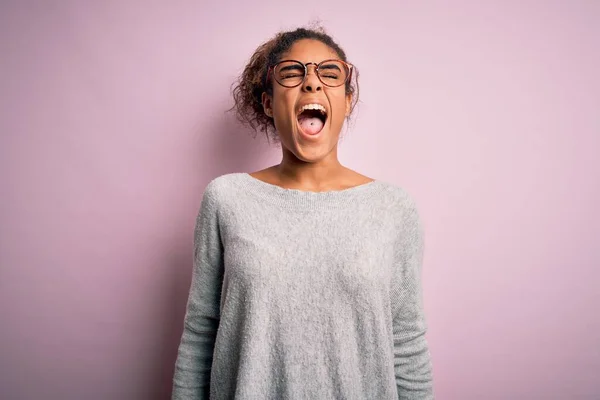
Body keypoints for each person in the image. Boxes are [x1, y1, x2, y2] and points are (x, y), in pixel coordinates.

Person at [172, 25, 434, 400]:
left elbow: (407, 343)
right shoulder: (226, 199)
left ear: (347, 100)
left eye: (329, 74)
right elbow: (200, 334)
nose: (312, 83)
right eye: (293, 73)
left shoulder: (394, 209)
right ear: (267, 102)